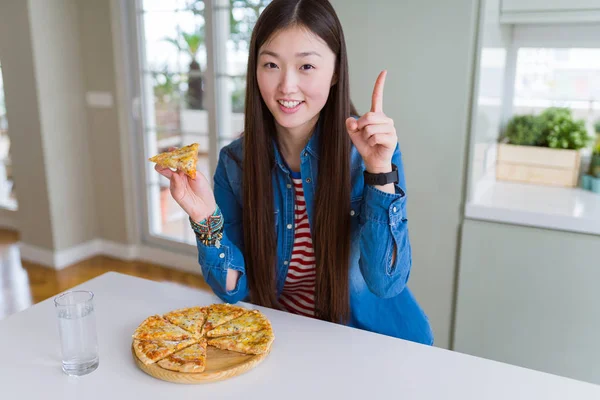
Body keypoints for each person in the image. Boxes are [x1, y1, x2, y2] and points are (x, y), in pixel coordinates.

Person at [155, 0, 433, 345]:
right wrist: (205, 218)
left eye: (306, 66)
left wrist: (379, 172)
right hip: (284, 342)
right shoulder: (235, 163)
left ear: (334, 73)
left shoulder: (371, 155)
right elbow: (234, 289)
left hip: (371, 344)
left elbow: (386, 282)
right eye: (271, 64)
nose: (286, 86)